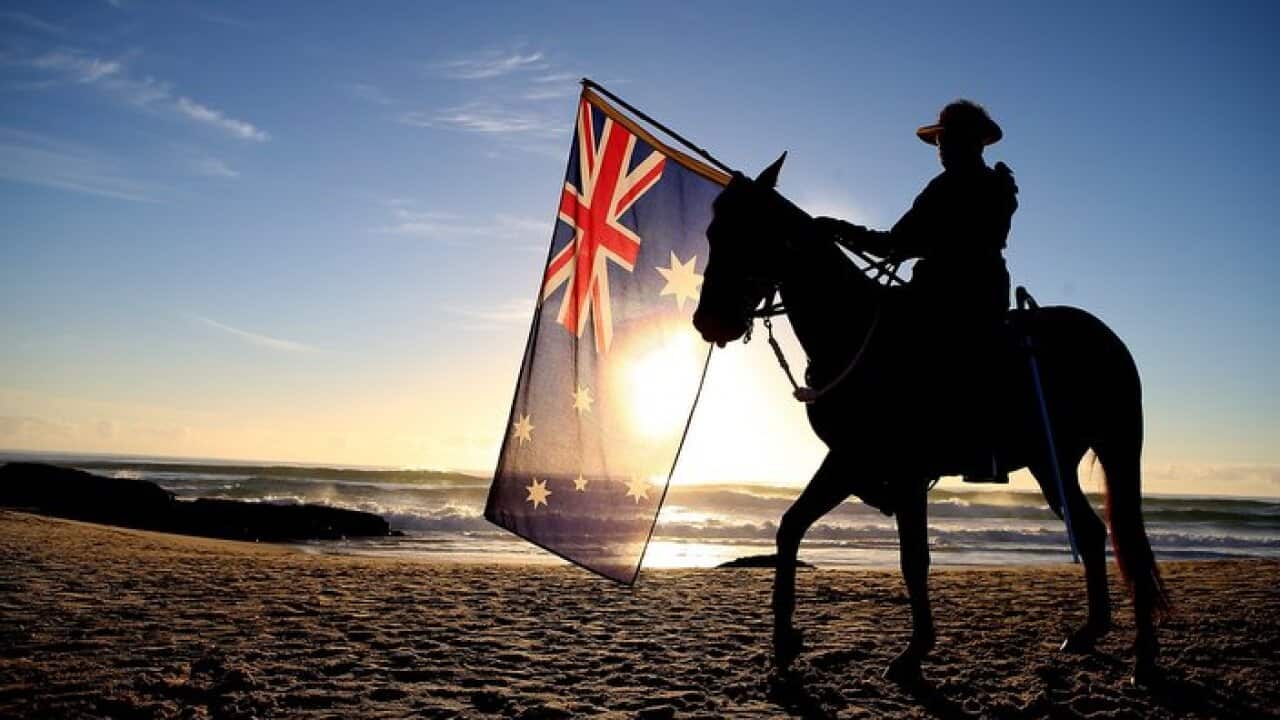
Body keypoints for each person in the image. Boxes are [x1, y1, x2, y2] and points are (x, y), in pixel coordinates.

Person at [814, 99, 1018, 482]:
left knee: (930, 348)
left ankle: (958, 446)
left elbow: (896, 242)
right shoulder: (984, 184)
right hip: (959, 285)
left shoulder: (967, 186)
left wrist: (837, 228)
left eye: (947, 140)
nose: (941, 148)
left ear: (970, 142)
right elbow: (903, 242)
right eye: (940, 141)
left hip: (960, 291)